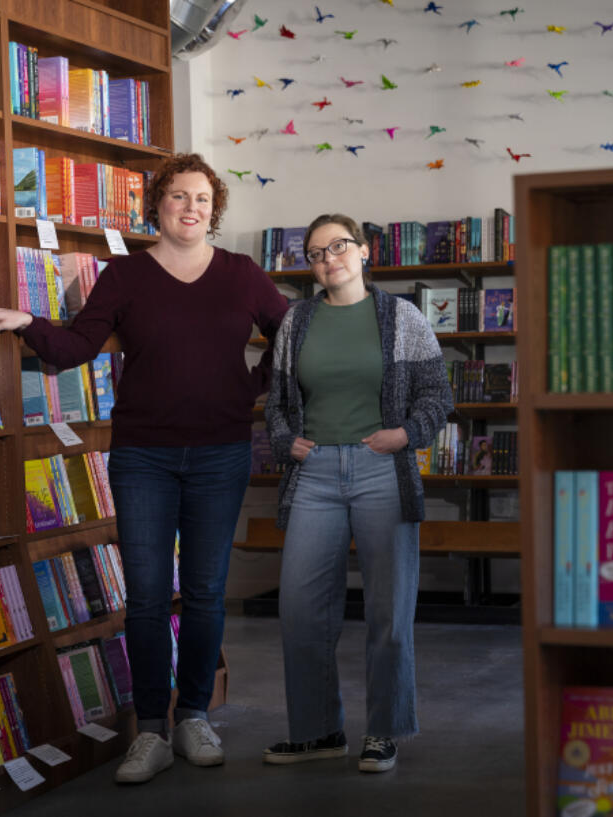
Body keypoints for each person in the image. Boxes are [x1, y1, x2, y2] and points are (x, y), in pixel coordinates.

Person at [0, 153, 288, 784]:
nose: (191, 208)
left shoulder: (242, 274)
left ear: (215, 209)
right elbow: (76, 347)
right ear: (158, 206)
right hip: (143, 455)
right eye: (178, 197)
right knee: (146, 596)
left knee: (204, 593)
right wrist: (27, 323)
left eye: (202, 199)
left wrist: (250, 389)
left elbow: (292, 338)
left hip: (220, 453)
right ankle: (150, 730)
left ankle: (194, 715)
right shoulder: (124, 276)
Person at [262, 213, 452, 773]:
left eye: (339, 246)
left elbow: (437, 395)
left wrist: (406, 435)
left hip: (380, 469)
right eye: (316, 253)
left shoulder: (404, 318)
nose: (329, 259)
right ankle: (320, 731)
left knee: (388, 612)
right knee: (299, 610)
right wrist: (284, 440)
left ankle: (384, 731)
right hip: (314, 474)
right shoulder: (295, 323)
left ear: (364, 251)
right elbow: (275, 403)